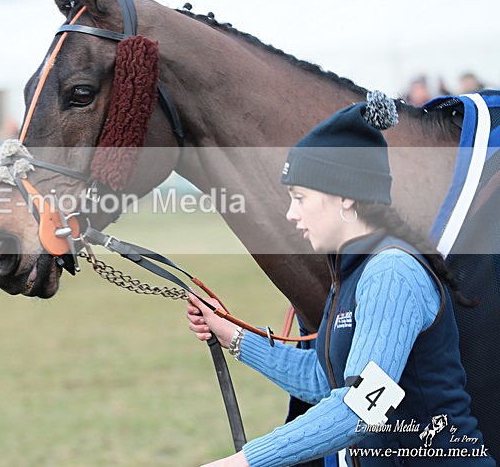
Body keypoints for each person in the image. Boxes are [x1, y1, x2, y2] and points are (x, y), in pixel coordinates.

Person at [186, 92, 493, 466]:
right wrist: (232, 334)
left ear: (346, 197)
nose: (290, 214)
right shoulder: (353, 271)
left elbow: (360, 409)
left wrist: (242, 461)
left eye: (299, 197)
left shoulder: (391, 272)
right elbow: (324, 379)